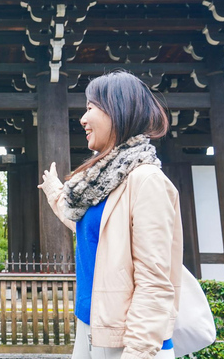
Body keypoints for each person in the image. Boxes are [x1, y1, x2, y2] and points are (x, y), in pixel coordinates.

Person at [38, 70, 183, 359]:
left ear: (118, 111)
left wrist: (138, 352)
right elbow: (95, 232)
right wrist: (55, 192)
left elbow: (154, 281)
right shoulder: (104, 179)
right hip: (92, 323)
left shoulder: (145, 180)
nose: (82, 119)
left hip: (128, 340)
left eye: (90, 108)